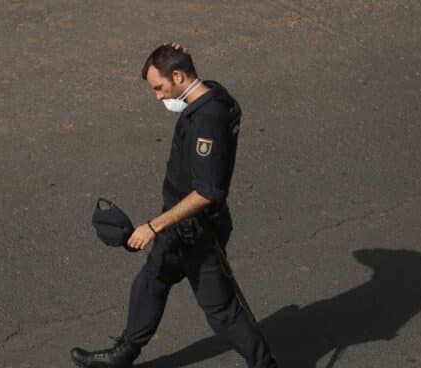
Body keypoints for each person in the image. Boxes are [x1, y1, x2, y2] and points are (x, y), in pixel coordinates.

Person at [70, 43, 278, 368]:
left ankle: (264, 364)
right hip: (179, 229)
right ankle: (123, 355)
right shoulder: (213, 94)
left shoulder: (208, 121)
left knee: (221, 311)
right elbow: (217, 97)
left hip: (198, 232)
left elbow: (207, 192)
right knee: (151, 282)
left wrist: (154, 226)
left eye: (159, 87)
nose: (157, 96)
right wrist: (177, 53)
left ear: (178, 76)